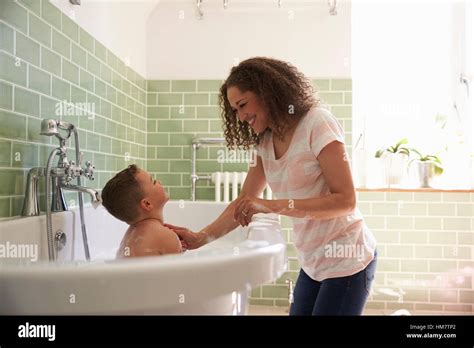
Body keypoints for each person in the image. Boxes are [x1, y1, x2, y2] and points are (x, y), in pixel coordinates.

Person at [166, 57, 377, 315]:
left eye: (243, 104)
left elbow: (346, 201)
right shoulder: (264, 143)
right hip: (312, 263)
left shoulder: (317, 123)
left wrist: (270, 206)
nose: (241, 116)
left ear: (267, 92)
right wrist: (200, 238)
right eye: (235, 110)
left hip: (349, 259)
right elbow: (244, 202)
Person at [101, 164, 182, 258]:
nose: (160, 182)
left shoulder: (128, 237)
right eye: (154, 182)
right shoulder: (166, 237)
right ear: (147, 204)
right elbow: (181, 271)